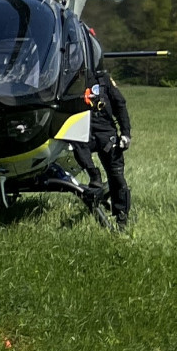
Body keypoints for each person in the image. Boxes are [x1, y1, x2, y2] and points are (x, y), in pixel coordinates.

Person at [74, 36, 133, 228]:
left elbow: (120, 104)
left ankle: (122, 217)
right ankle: (94, 176)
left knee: (117, 177)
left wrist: (125, 133)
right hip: (83, 134)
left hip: (107, 134)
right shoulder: (70, 81)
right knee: (76, 144)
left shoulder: (104, 80)